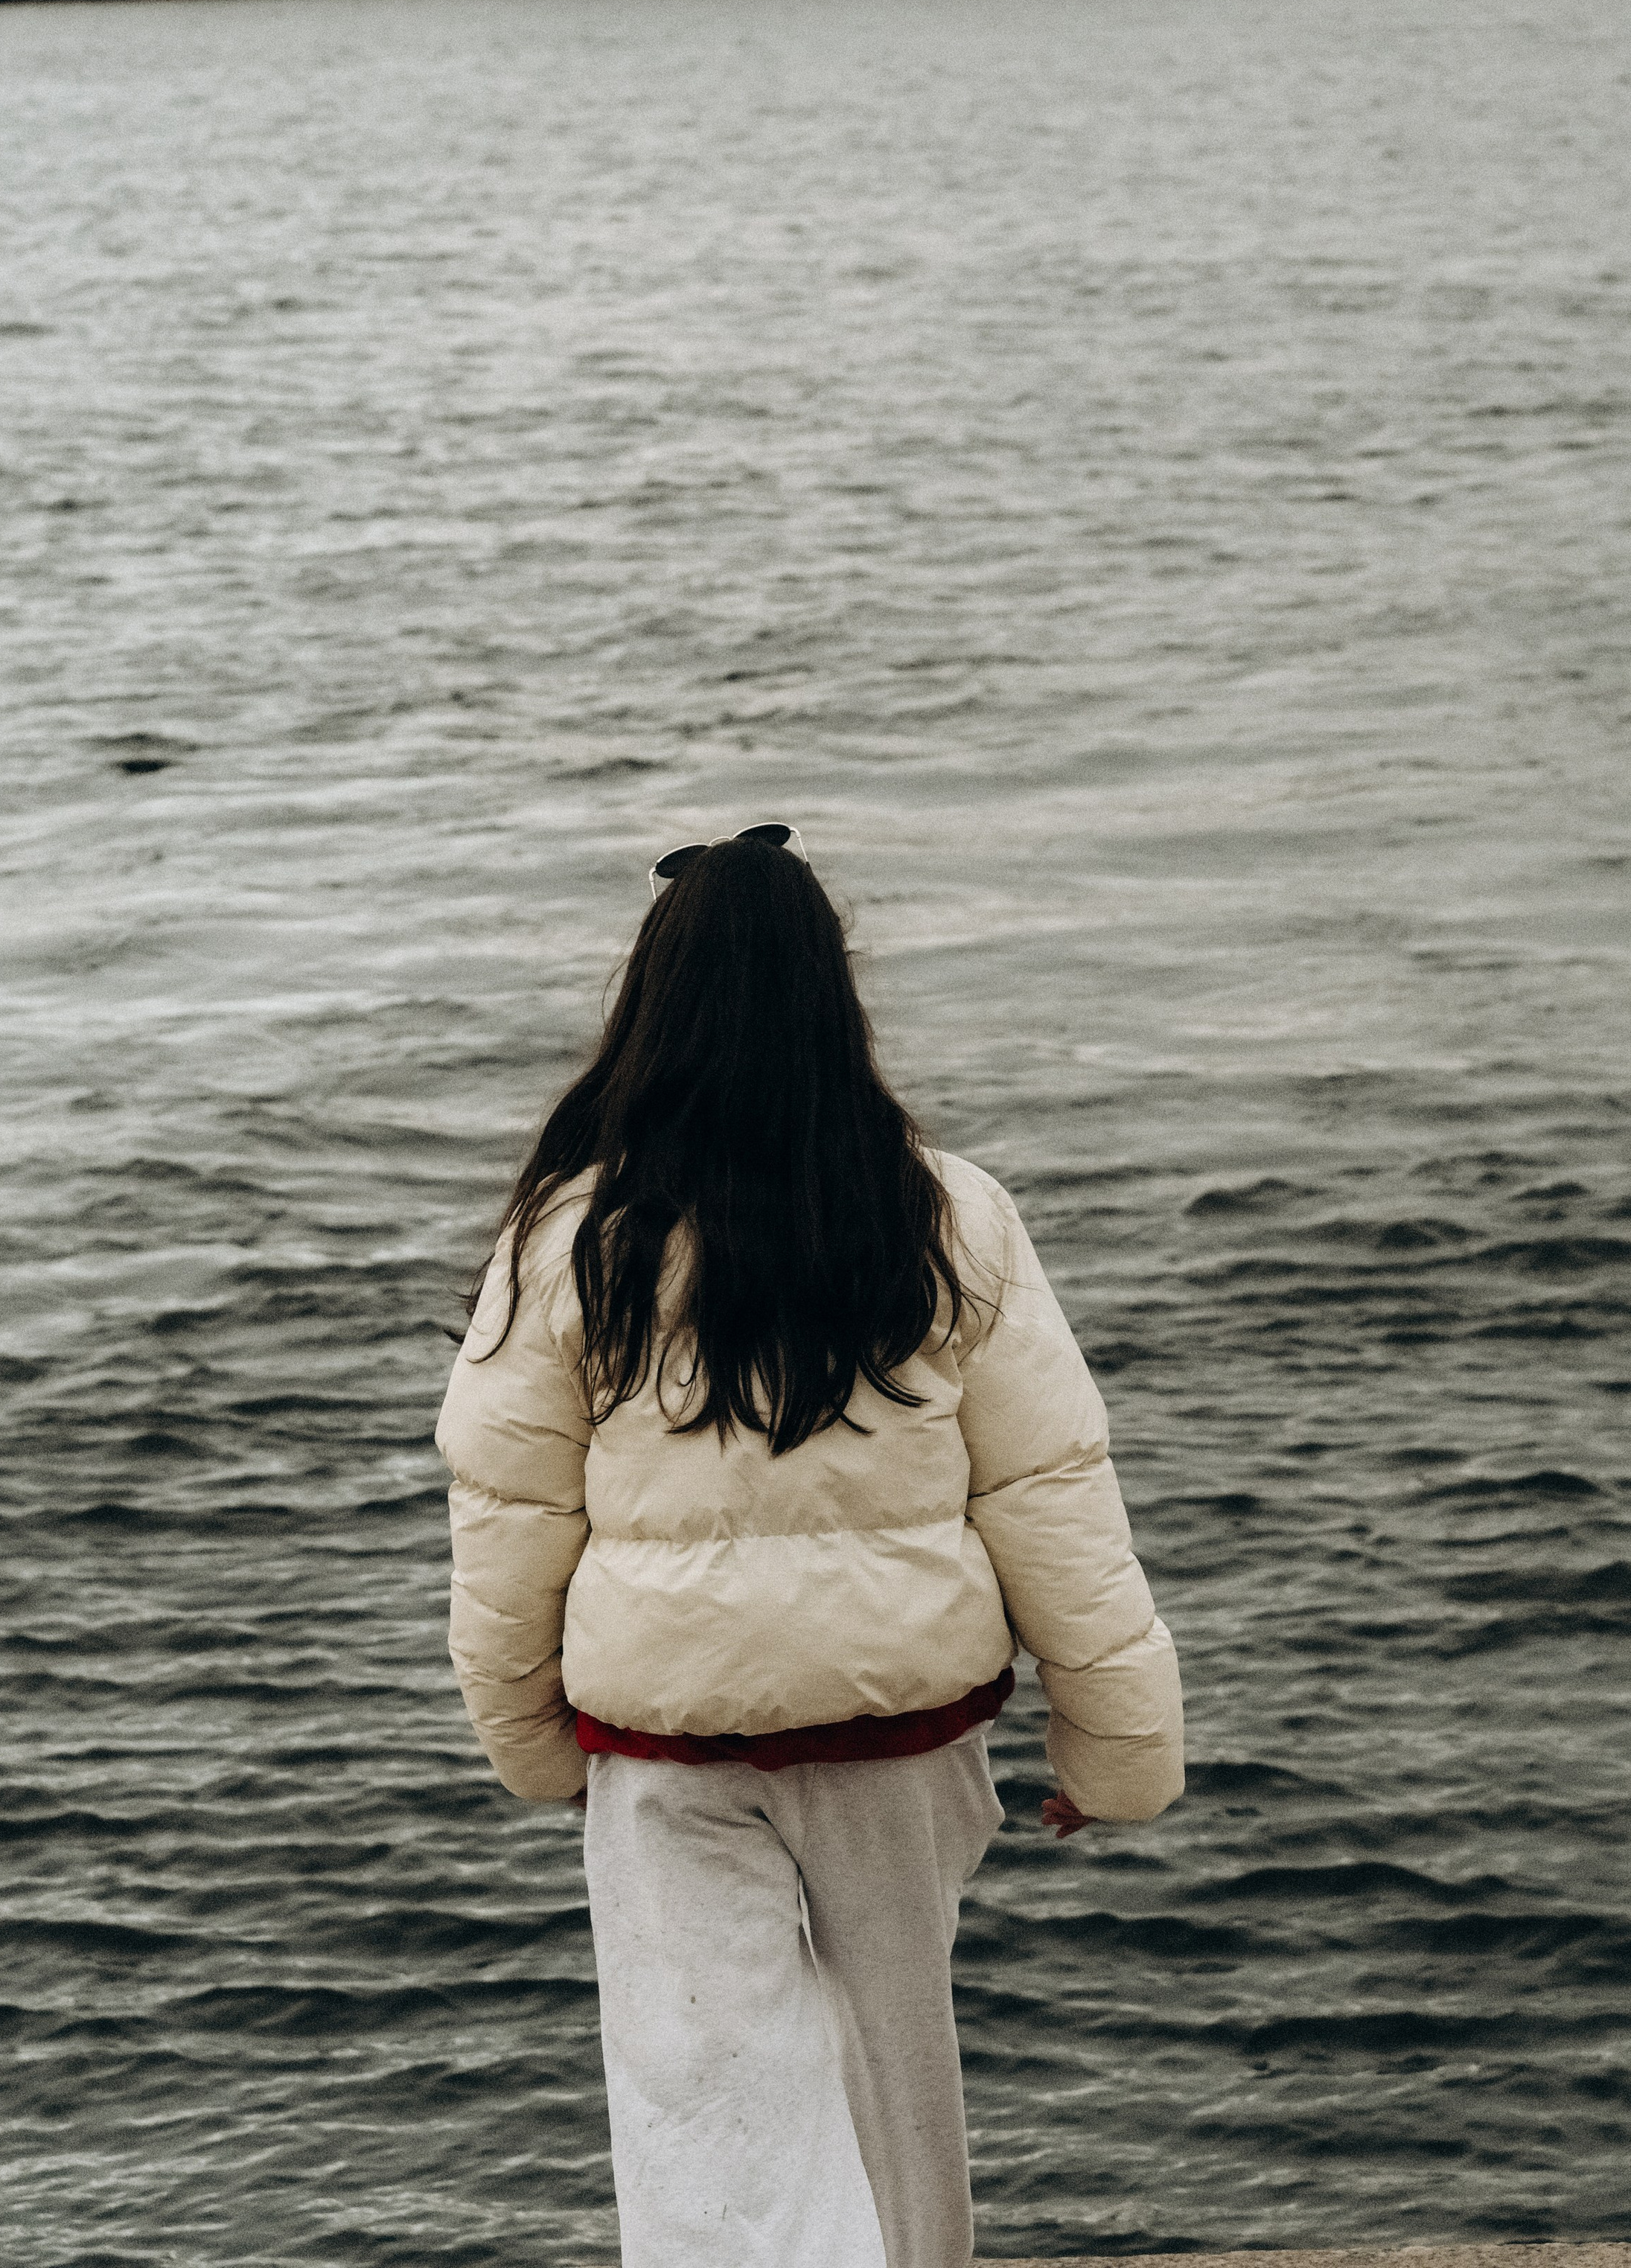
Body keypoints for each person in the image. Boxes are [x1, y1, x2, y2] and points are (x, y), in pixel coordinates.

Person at [435, 824, 1184, 2268]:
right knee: (896, 2076)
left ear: (648, 1012)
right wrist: (1115, 1747)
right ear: (836, 1003)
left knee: (706, 2093)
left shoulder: (572, 1241)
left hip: (669, 1734)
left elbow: (507, 1520)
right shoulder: (942, 1212)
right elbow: (1052, 1497)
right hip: (900, 1729)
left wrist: (527, 1741)